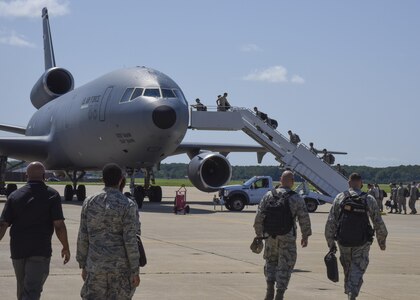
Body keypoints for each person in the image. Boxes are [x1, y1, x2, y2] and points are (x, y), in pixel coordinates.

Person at [0, 161, 70, 300]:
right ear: (44, 176)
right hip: (40, 250)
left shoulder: (14, 196)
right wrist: (65, 246)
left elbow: (3, 224)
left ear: (26, 176)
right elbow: (59, 225)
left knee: (22, 290)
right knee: (31, 291)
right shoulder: (52, 195)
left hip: (18, 250)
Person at [77, 163, 140, 299]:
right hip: (120, 268)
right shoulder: (128, 204)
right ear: (120, 180)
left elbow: (83, 235)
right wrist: (135, 269)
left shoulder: (89, 202)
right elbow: (130, 240)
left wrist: (83, 264)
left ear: (102, 179)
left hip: (95, 265)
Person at [325, 173, 387, 300]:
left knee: (347, 269)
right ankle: (352, 294)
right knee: (357, 270)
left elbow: (331, 222)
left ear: (349, 183)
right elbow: (378, 222)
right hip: (362, 242)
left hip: (343, 241)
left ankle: (349, 291)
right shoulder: (368, 199)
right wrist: (382, 241)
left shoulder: (340, 197)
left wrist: (331, 243)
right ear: (361, 183)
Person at [253, 170, 311, 300]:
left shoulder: (268, 195)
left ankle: (269, 290)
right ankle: (280, 294)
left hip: (270, 236)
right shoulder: (296, 197)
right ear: (292, 182)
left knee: (270, 262)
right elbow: (304, 218)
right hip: (287, 236)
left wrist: (259, 235)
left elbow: (259, 217)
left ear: (280, 179)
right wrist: (305, 235)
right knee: (285, 264)